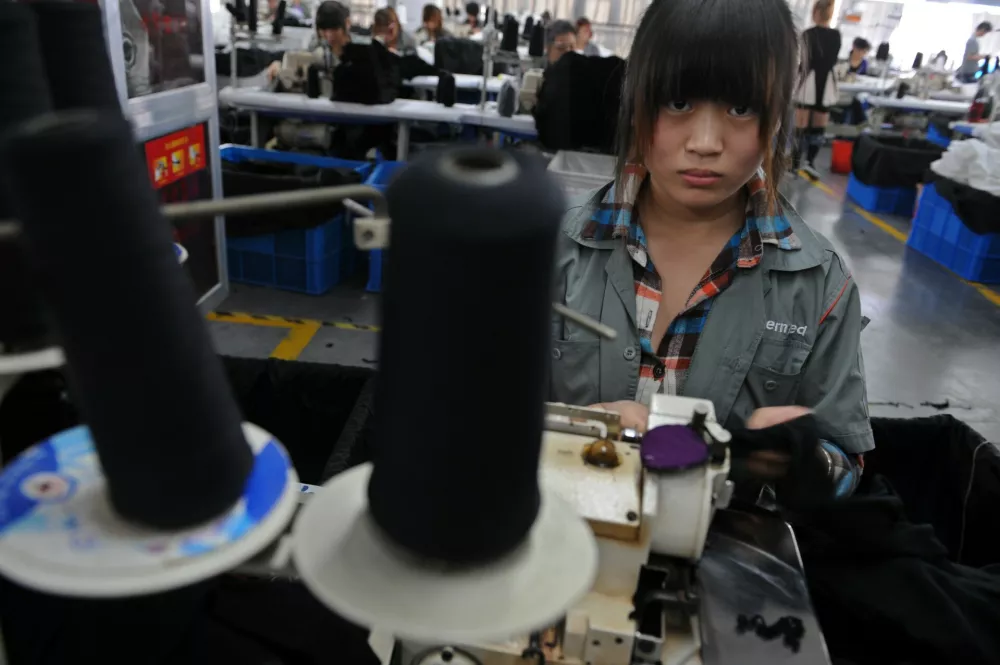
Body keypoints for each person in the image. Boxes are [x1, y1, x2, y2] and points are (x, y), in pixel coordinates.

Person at [551, 0, 871, 504]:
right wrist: (573, 427)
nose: (705, 142)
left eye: (741, 109)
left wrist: (805, 460)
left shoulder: (820, 287)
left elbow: (845, 464)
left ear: (777, 115)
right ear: (637, 101)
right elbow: (481, 412)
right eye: (677, 103)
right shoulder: (552, 256)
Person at [792, 0, 841, 178]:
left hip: (807, 83)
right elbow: (832, 60)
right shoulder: (836, 36)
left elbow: (803, 61)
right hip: (825, 84)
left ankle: (795, 164)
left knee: (801, 126)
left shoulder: (807, 34)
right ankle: (809, 162)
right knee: (818, 127)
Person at [266, 0, 351, 81]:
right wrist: (280, 65)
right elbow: (303, 57)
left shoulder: (357, 51)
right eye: (324, 30)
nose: (329, 35)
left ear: (347, 24)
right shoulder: (318, 45)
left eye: (334, 29)